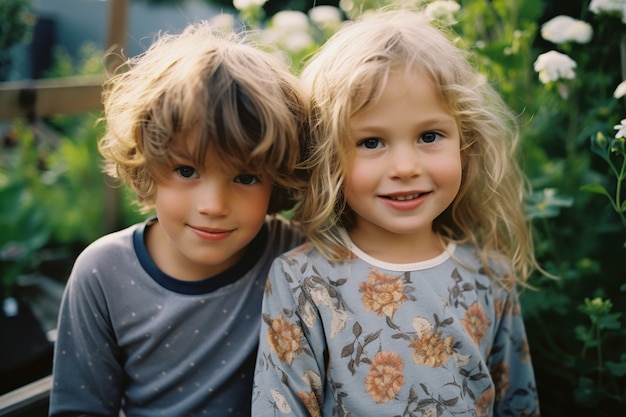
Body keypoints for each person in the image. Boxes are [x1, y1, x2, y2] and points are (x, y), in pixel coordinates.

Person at [252, 9, 541, 417]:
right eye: (371, 142)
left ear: (466, 142)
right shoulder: (305, 281)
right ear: (329, 154)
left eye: (429, 136)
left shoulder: (489, 275)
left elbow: (518, 402)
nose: (405, 167)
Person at [49, 21, 309, 417]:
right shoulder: (102, 273)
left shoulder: (294, 257)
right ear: (146, 161)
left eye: (245, 177)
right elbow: (78, 408)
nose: (214, 205)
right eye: (187, 171)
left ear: (276, 180)